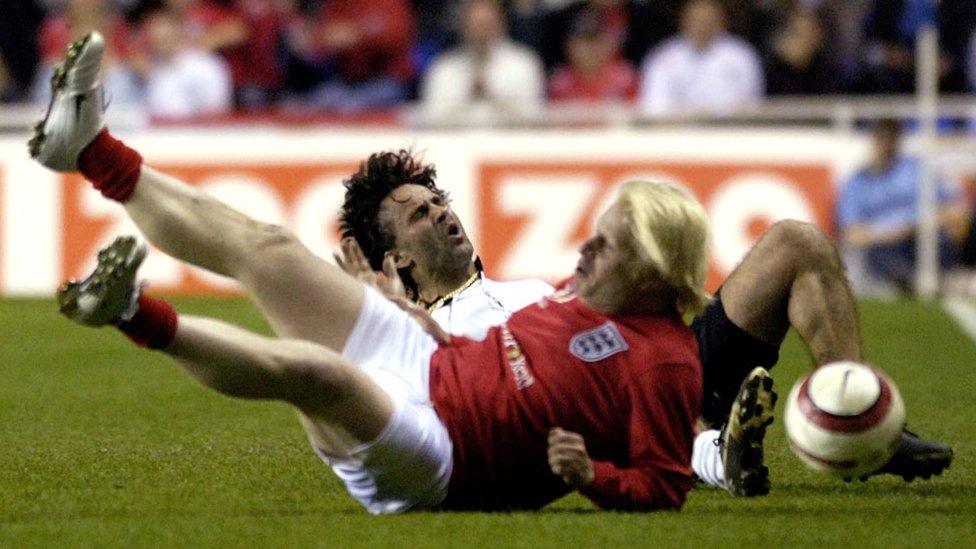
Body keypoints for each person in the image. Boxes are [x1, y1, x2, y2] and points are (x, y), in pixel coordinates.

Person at [32, 31, 713, 513]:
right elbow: (501, 355)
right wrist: (412, 319)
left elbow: (665, 474)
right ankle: (92, 152)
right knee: (269, 246)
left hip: (443, 452)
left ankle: (130, 311)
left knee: (313, 374)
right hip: (426, 363)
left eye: (612, 243)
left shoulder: (664, 360)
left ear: (655, 269)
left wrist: (595, 475)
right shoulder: (576, 296)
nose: (588, 250)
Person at [838, 118, 970, 293]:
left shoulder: (917, 170)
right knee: (880, 253)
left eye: (891, 138)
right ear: (874, 140)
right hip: (883, 244)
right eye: (882, 138)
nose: (886, 144)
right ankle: (912, 283)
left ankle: (949, 277)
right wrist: (893, 232)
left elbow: (954, 209)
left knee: (942, 237)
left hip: (925, 235)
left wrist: (922, 224)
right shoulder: (857, 181)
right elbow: (851, 233)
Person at [419, 0, 545, 125]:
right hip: (457, 142)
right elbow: (431, 118)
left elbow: (534, 116)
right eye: (475, 25)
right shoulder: (443, 67)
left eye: (487, 24)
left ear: (501, 24)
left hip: (511, 142)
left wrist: (492, 95)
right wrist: (468, 95)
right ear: (463, 27)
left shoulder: (524, 63)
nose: (481, 32)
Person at [639, 0, 764, 116]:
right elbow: (656, 107)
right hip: (678, 133)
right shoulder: (663, 57)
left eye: (708, 18)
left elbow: (750, 104)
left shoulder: (741, 56)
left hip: (728, 132)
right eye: (697, 19)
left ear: (720, 20)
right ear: (684, 20)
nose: (702, 24)